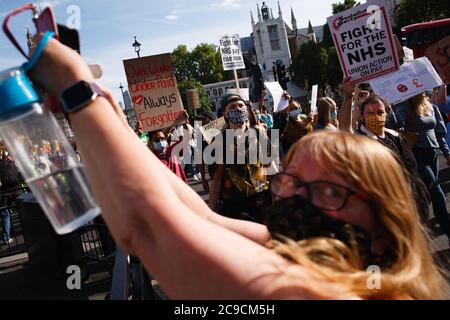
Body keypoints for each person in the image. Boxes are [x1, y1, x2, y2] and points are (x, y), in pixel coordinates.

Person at [28, 36, 449, 299]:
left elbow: (150, 229)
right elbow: (194, 214)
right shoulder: (314, 259)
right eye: (292, 184)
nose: (298, 201)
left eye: (327, 191)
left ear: (384, 218)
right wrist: (104, 107)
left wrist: (75, 88)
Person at [339, 79, 430, 223]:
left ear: (386, 114)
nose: (376, 116)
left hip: (414, 202)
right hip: (389, 210)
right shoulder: (361, 140)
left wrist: (419, 187)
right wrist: (348, 96)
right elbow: (344, 129)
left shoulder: (395, 136)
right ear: (362, 116)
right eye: (370, 113)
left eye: (380, 112)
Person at [208, 94, 277, 222]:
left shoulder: (258, 133)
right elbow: (216, 180)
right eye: (233, 107)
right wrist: (211, 214)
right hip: (236, 208)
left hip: (263, 202)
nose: (238, 109)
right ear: (225, 114)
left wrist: (280, 194)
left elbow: (271, 168)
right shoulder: (218, 142)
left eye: (241, 105)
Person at [395, 93, 450, 238]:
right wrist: (394, 113)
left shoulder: (431, 106)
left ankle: (418, 230)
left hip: (433, 154)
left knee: (429, 196)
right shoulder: (405, 106)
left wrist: (447, 153)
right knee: (437, 194)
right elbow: (394, 125)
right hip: (417, 155)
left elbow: (439, 133)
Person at [0, 152, 23, 245]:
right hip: (18, 191)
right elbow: (21, 177)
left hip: (5, 193)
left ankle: (6, 237)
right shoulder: (14, 165)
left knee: (5, 213)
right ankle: (29, 231)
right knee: (23, 210)